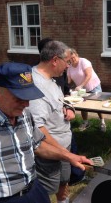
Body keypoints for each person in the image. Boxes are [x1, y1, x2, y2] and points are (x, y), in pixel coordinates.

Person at [0, 62, 92, 203]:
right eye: (19, 98)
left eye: (28, 97)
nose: (27, 104)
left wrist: (69, 156)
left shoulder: (24, 115)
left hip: (34, 192)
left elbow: (38, 145)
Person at [29, 40, 75, 203]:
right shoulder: (37, 86)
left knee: (63, 181)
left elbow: (60, 101)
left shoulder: (52, 79)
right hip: (50, 150)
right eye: (67, 61)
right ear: (55, 60)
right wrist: (64, 153)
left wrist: (70, 108)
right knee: (45, 191)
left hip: (63, 146)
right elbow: (37, 128)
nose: (69, 65)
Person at [67, 48, 106, 132]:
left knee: (98, 105)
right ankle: (86, 122)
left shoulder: (84, 61)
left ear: (76, 55)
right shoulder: (69, 67)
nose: (72, 59)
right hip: (82, 90)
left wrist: (81, 85)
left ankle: (102, 122)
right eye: (70, 59)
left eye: (73, 57)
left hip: (93, 86)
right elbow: (69, 81)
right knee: (83, 107)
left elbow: (89, 75)